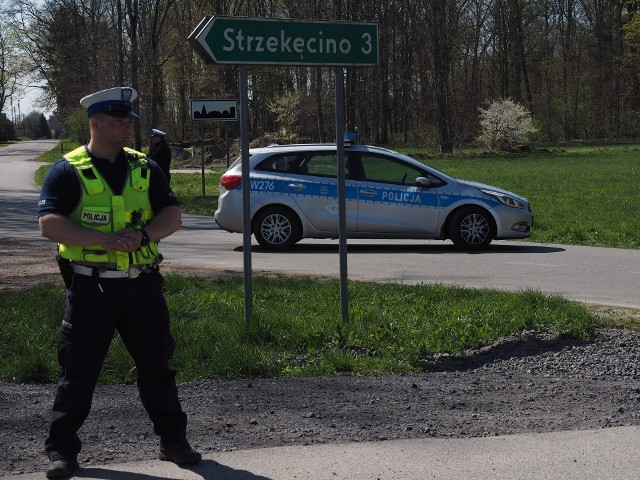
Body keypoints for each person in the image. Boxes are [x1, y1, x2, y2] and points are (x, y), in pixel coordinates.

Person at [37, 87, 201, 479]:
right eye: (117, 121)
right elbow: (49, 224)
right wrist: (102, 239)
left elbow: (173, 215)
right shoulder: (67, 169)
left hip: (141, 285)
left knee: (157, 366)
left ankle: (174, 443)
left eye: (129, 120)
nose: (127, 127)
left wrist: (145, 236)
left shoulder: (146, 167)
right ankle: (62, 451)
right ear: (95, 123)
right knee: (78, 371)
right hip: (91, 287)